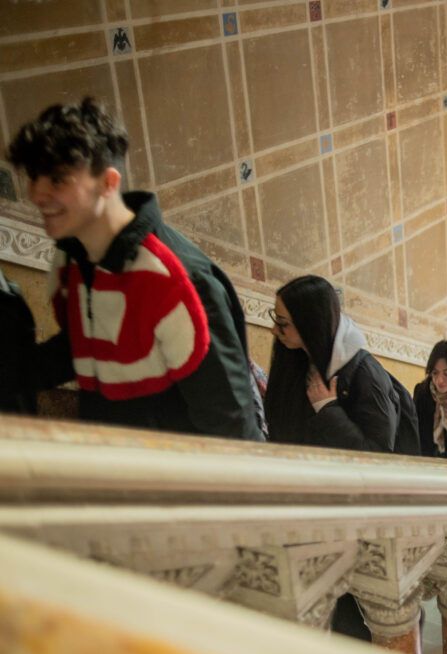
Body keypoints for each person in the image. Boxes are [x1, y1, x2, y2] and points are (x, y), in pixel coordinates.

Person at [6, 97, 261, 439]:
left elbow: (228, 421)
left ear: (109, 183)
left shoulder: (177, 278)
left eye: (56, 179)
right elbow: (78, 350)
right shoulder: (73, 260)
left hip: (170, 483)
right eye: (34, 176)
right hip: (115, 472)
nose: (36, 192)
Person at [263, 275, 406, 452]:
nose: (274, 329)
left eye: (283, 323)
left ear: (311, 323)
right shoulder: (298, 360)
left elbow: (378, 454)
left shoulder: (365, 372)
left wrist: (327, 409)